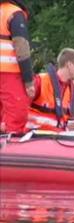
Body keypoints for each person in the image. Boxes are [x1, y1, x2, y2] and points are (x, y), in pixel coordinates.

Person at [25, 48, 74, 132]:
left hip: (61, 140)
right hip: (35, 137)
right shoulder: (40, 81)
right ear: (69, 64)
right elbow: (20, 105)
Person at [0, 0, 35, 133]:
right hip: (9, 74)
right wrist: (28, 79)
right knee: (16, 119)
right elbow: (21, 46)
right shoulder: (13, 13)